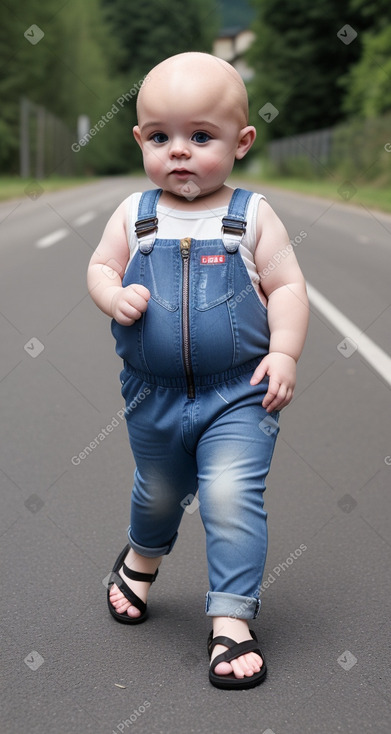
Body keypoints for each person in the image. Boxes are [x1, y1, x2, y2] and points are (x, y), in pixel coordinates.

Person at [87, 51, 309, 690]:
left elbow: (288, 287)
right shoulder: (135, 215)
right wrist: (113, 295)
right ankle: (142, 557)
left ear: (242, 142)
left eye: (201, 137)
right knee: (159, 489)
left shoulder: (252, 216)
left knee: (229, 494)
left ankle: (231, 619)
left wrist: (284, 352)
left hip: (239, 393)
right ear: (140, 141)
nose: (178, 152)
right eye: (161, 137)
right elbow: (101, 267)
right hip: (150, 394)